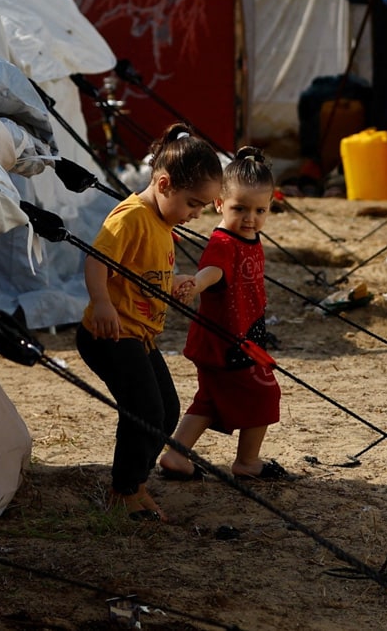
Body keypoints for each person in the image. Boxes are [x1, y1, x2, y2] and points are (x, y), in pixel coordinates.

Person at [75, 122, 223, 523]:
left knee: (166, 410)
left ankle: (134, 484)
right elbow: (95, 259)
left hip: (140, 336)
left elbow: (142, 271)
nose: (196, 214)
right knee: (142, 410)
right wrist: (101, 302)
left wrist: (174, 284)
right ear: (163, 183)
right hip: (110, 334)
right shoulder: (132, 217)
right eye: (193, 204)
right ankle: (123, 491)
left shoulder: (162, 223)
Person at [159, 146, 290, 481]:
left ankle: (176, 455)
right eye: (239, 208)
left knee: (209, 399)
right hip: (227, 343)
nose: (250, 217)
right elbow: (214, 271)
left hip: (237, 336)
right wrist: (196, 284)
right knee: (264, 394)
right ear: (218, 203)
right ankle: (248, 462)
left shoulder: (248, 236)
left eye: (260, 210)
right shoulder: (223, 242)